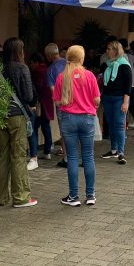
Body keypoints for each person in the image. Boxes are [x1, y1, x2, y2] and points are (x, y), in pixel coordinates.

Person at [52, 46, 100, 206]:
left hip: (68, 118)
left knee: (72, 157)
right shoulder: (90, 76)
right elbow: (97, 100)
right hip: (87, 118)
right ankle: (90, 194)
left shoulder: (62, 77)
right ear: (81, 58)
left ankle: (73, 196)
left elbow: (57, 101)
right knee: (88, 156)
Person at [0, 37, 38, 208]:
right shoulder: (22, 68)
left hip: (0, 114)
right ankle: (21, 197)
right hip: (17, 115)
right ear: (19, 51)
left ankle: (0, 197)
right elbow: (28, 96)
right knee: (18, 155)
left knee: (2, 155)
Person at [100, 40, 132, 164]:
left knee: (119, 124)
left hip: (119, 98)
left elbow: (128, 86)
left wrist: (125, 102)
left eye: (109, 49)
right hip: (107, 98)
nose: (107, 51)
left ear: (115, 50)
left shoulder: (124, 65)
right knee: (111, 124)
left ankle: (121, 152)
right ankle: (113, 150)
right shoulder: (106, 65)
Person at [27, 52, 53, 169]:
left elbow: (37, 87)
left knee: (34, 128)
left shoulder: (37, 72)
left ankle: (34, 153)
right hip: (47, 103)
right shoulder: (47, 69)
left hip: (40, 104)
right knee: (46, 126)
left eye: (31, 63)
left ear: (35, 62)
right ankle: (47, 151)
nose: (30, 65)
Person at [118, 38, 134, 135]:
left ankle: (125, 127)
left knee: (125, 106)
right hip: (133, 83)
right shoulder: (130, 56)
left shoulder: (120, 58)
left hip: (126, 85)